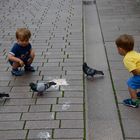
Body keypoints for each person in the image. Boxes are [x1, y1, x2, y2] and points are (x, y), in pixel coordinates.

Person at [115, 34, 140, 108]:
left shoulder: (127, 59)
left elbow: (135, 71)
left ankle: (134, 102)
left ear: (120, 49)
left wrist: (136, 76)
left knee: (131, 83)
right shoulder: (135, 53)